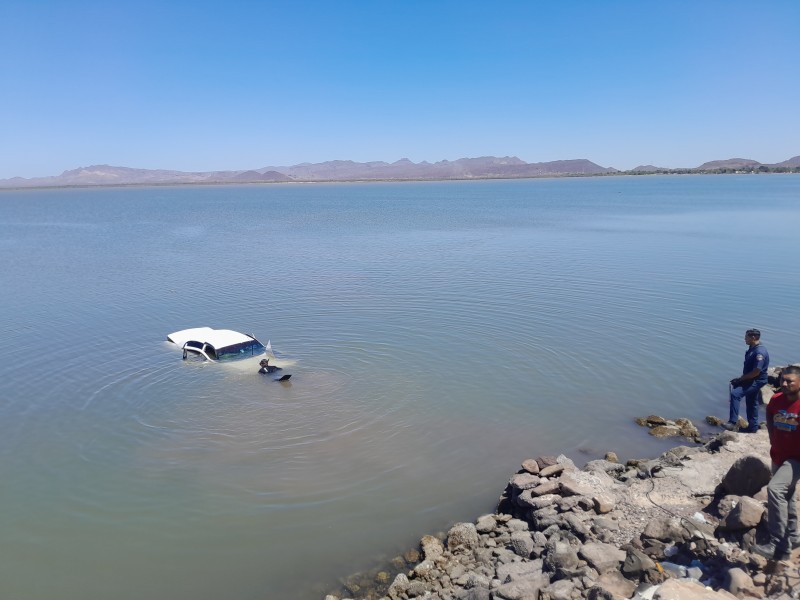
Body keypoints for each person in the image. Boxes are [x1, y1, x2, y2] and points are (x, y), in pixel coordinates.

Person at [752, 365, 800, 560]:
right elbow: (770, 414)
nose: (785, 384)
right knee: (787, 496)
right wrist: (772, 435)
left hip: (796, 459)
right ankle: (794, 536)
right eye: (783, 380)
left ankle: (779, 545)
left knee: (775, 489)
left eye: (790, 381)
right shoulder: (776, 399)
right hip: (778, 455)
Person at [723, 329, 769, 432]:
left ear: (753, 337)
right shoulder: (752, 348)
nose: (744, 339)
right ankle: (752, 427)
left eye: (746, 337)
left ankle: (732, 422)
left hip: (757, 380)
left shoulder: (759, 352)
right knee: (752, 402)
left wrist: (740, 380)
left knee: (736, 394)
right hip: (752, 379)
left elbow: (756, 371)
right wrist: (741, 379)